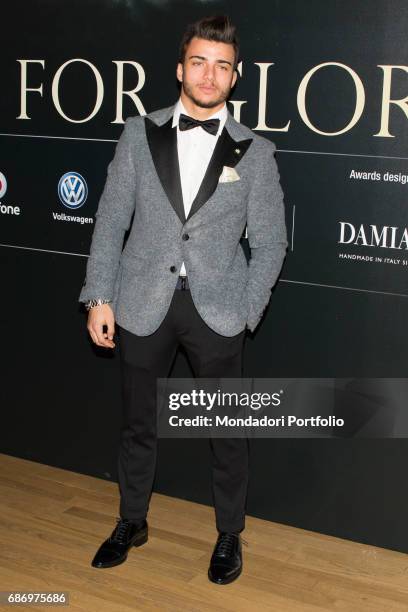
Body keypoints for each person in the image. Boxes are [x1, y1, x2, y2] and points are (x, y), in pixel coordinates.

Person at [78, 14, 287, 585]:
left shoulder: (256, 152)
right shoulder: (139, 133)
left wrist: (248, 310)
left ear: (234, 77)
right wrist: (99, 294)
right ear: (180, 68)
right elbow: (111, 219)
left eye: (221, 66)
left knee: (226, 429)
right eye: (199, 62)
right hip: (142, 299)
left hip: (217, 308)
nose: (208, 74)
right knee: (138, 425)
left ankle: (228, 534)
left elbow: (271, 242)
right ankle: (131, 521)